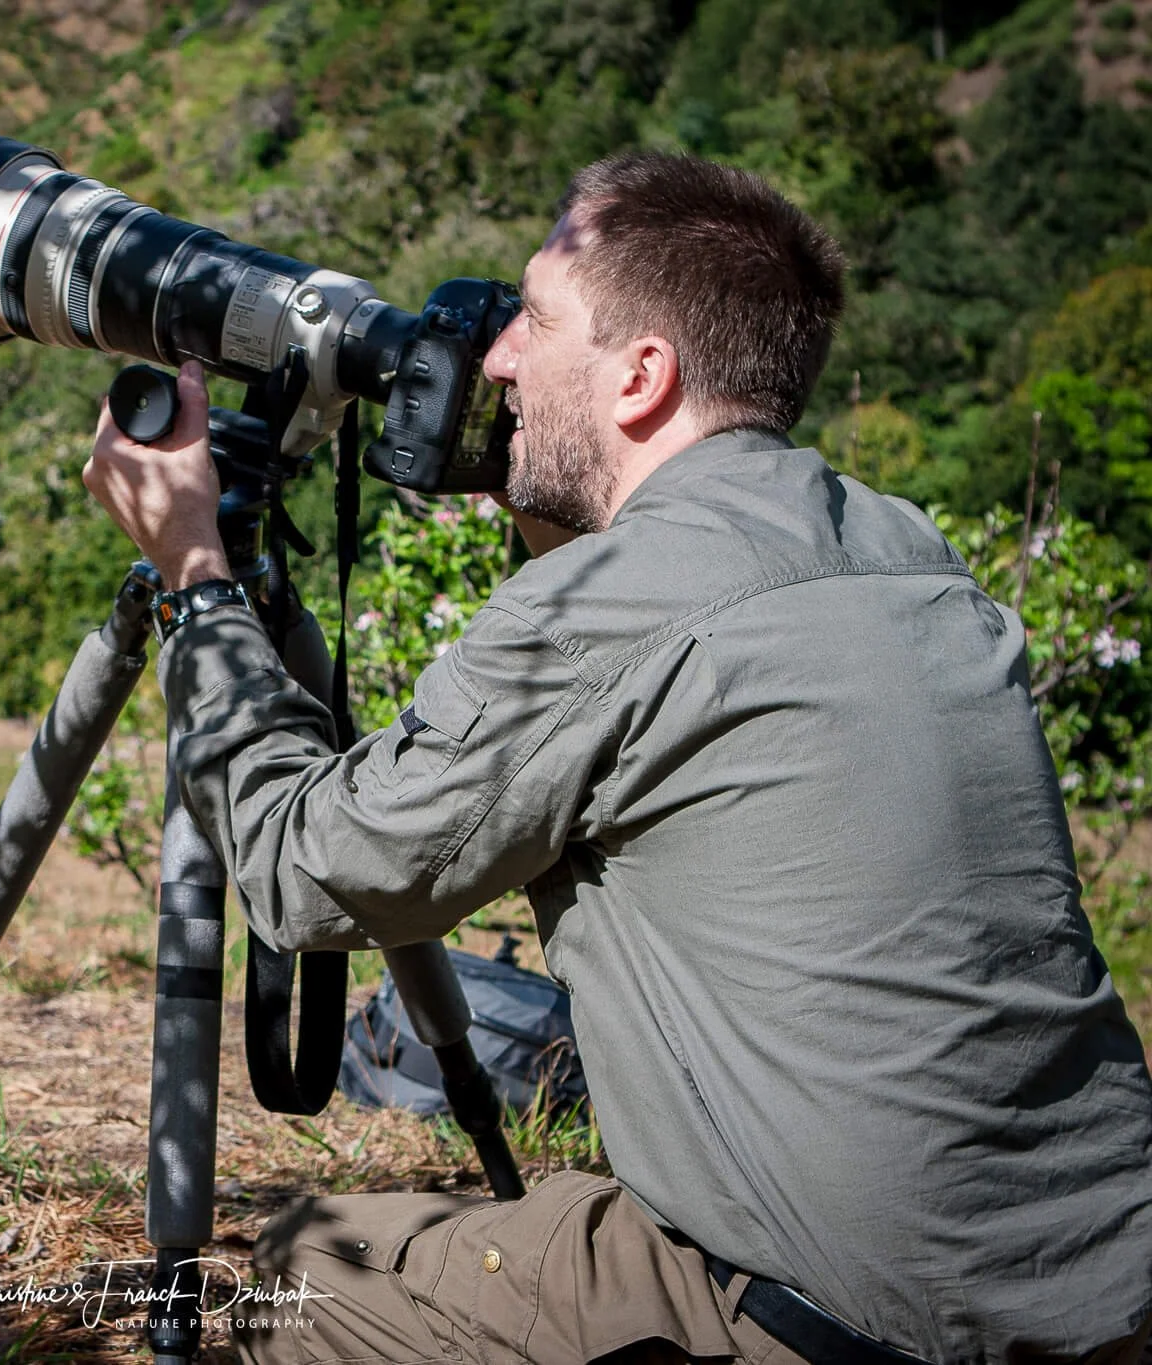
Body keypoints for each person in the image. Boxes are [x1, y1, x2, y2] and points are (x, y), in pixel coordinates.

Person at [80, 151, 1152, 1365]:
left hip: (841, 1326)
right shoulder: (899, 544)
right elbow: (634, 661)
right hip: (1101, 1288)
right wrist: (548, 497)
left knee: (298, 1269)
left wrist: (193, 581)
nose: (490, 359)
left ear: (641, 374)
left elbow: (300, 873)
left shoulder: (610, 607)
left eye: (533, 322)